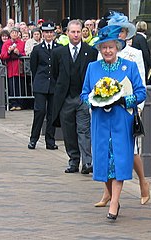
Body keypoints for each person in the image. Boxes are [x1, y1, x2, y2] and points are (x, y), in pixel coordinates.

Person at [81, 25, 146, 220]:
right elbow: (84, 94)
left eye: (111, 47)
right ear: (100, 50)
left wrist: (123, 100)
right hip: (100, 122)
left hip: (121, 121)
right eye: (104, 48)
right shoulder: (93, 67)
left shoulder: (129, 66)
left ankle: (115, 203)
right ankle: (110, 195)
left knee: (119, 161)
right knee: (103, 163)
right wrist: (93, 100)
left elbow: (141, 93)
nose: (107, 51)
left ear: (117, 47)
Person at [95, 11, 150, 206]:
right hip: (105, 113)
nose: (118, 34)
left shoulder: (134, 55)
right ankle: (108, 193)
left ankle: (143, 181)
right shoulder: (102, 52)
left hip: (128, 110)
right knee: (107, 152)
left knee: (130, 152)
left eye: (121, 31)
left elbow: (141, 82)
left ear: (126, 34)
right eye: (115, 31)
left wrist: (137, 107)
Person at [51, 19, 98, 174]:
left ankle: (87, 162)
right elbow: (55, 75)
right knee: (69, 131)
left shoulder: (90, 51)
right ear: (67, 33)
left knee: (84, 130)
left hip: (83, 97)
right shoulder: (58, 53)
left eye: (78, 32)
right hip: (66, 98)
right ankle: (73, 160)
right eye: (73, 32)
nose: (76, 35)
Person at [27, 22, 61, 150]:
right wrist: (37, 82)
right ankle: (33, 139)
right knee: (40, 111)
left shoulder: (59, 47)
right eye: (46, 32)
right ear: (42, 34)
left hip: (53, 85)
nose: (49, 34)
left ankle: (50, 140)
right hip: (41, 84)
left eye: (51, 32)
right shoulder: (37, 49)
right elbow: (34, 68)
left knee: (52, 114)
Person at [0, 27, 26, 111]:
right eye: (13, 32)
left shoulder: (22, 43)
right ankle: (13, 103)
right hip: (10, 68)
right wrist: (8, 51)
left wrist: (19, 53)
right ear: (10, 34)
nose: (14, 34)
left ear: (18, 34)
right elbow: (2, 55)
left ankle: (20, 104)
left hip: (19, 68)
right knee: (11, 86)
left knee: (20, 86)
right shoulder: (6, 43)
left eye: (16, 32)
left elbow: (25, 53)